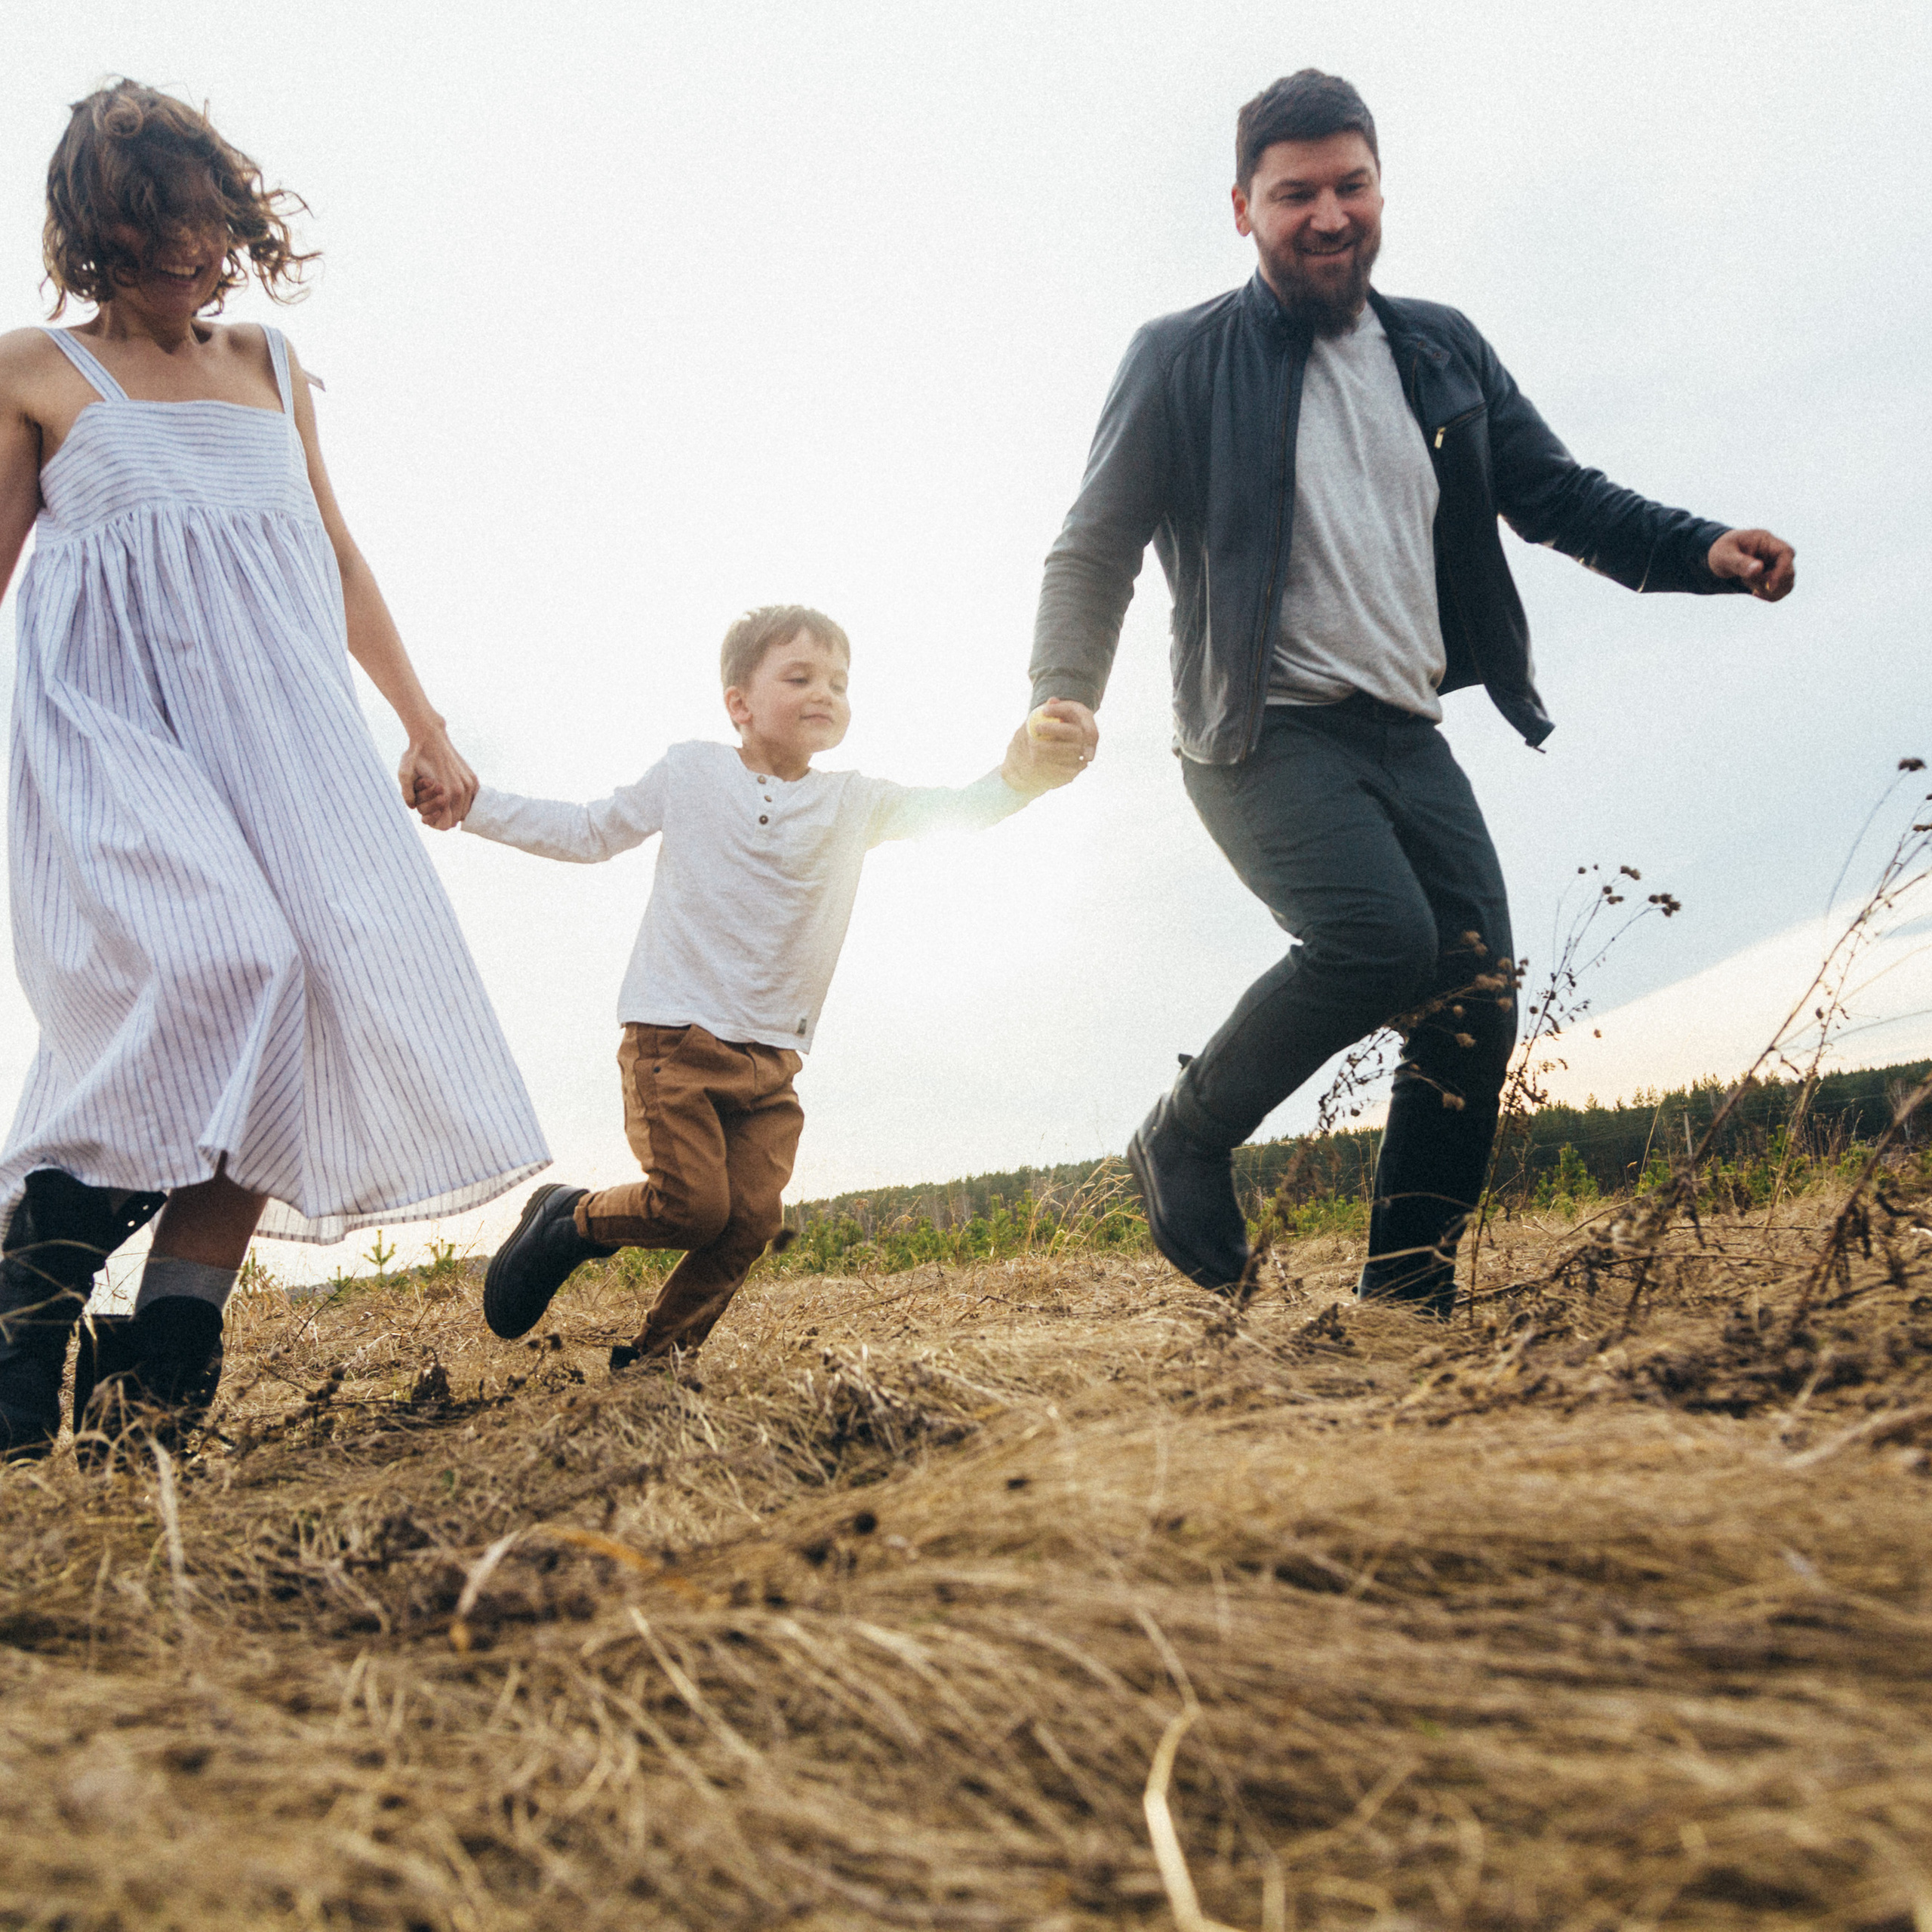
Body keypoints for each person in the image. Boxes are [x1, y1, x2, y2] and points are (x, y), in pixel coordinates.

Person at [1029, 71, 1795, 1312]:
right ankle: (1182, 1132)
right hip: (1257, 732)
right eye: (1296, 196)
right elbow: (1094, 543)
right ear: (1242, 209)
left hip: (1406, 730)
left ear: (1380, 187)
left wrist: (1701, 551)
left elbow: (1558, 493)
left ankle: (1405, 1299)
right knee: (1381, 940)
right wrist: (1062, 690)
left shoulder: (1440, 348)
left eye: (1352, 186)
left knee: (1476, 993)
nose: (1329, 216)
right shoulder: (1180, 359)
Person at [0, 82, 549, 1459]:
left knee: (294, 1015)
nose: (191, 259)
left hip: (286, 738)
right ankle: (30, 1298)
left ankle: (163, 1366)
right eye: (156, 232)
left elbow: (339, 556)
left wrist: (425, 723)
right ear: (93, 231)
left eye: (210, 229)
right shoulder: (32, 372)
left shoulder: (270, 365)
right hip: (112, 735)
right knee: (223, 961)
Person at [441, 604, 1096, 1364]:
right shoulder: (690, 771)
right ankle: (572, 1222)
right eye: (800, 676)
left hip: (774, 1060)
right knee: (692, 1207)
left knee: (748, 1221)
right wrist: (471, 805)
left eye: (839, 682)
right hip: (673, 1040)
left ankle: (660, 1361)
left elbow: (953, 811)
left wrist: (1021, 775)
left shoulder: (853, 802)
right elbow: (588, 830)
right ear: (739, 704)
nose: (826, 691)